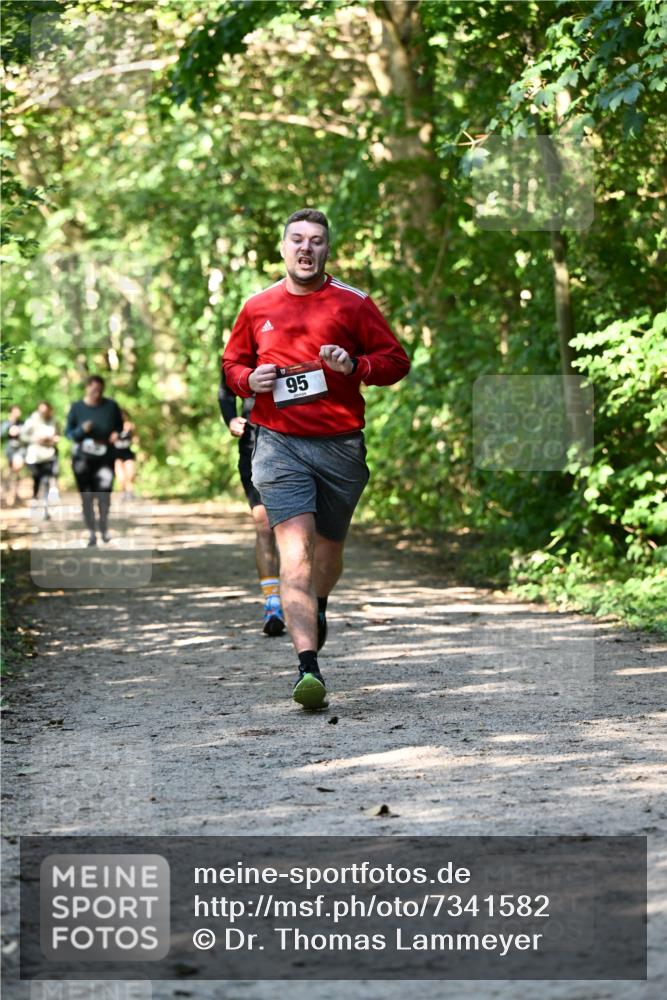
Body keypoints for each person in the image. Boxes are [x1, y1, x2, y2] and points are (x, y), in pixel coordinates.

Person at [223, 208, 410, 709]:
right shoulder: (257, 305)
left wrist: (357, 365)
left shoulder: (353, 304)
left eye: (317, 241)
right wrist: (248, 381)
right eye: (297, 240)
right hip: (277, 442)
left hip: (340, 446)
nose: (306, 248)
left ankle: (317, 605)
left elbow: (397, 361)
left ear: (327, 250)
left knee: (327, 553)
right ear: (282, 249)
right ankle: (308, 668)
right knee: (295, 553)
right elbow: (232, 362)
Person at [218, 372, 286, 637]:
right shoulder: (241, 344)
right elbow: (226, 388)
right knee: (265, 524)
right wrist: (231, 418)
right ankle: (273, 604)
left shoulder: (300, 335)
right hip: (254, 444)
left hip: (302, 441)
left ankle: (306, 598)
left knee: (302, 528)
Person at [65, 374, 123, 546]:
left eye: (100, 390)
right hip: (83, 458)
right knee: (87, 496)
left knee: (104, 493)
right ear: (87, 387)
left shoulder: (111, 406)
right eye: (95, 390)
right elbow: (69, 434)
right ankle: (91, 532)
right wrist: (82, 430)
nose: (97, 393)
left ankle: (103, 527)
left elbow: (119, 426)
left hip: (105, 456)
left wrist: (116, 433)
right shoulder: (76, 408)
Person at [21, 402, 60, 519]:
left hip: (49, 455)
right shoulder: (32, 420)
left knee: (47, 481)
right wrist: (36, 439)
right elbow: (23, 436)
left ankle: (46, 509)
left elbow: (58, 435)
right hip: (34, 456)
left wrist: (53, 439)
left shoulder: (54, 421)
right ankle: (34, 502)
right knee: (36, 480)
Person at [1, 405, 25, 504]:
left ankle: (15, 493)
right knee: (10, 472)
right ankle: (8, 492)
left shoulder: (22, 423)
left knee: (17, 470)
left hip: (19, 450)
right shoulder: (6, 423)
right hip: (9, 450)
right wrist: (9, 430)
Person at [114, 410, 137, 498]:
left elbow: (135, 438)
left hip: (127, 451)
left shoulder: (130, 425)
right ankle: (123, 493)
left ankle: (130, 492)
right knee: (121, 475)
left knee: (130, 473)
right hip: (116, 452)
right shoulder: (113, 426)